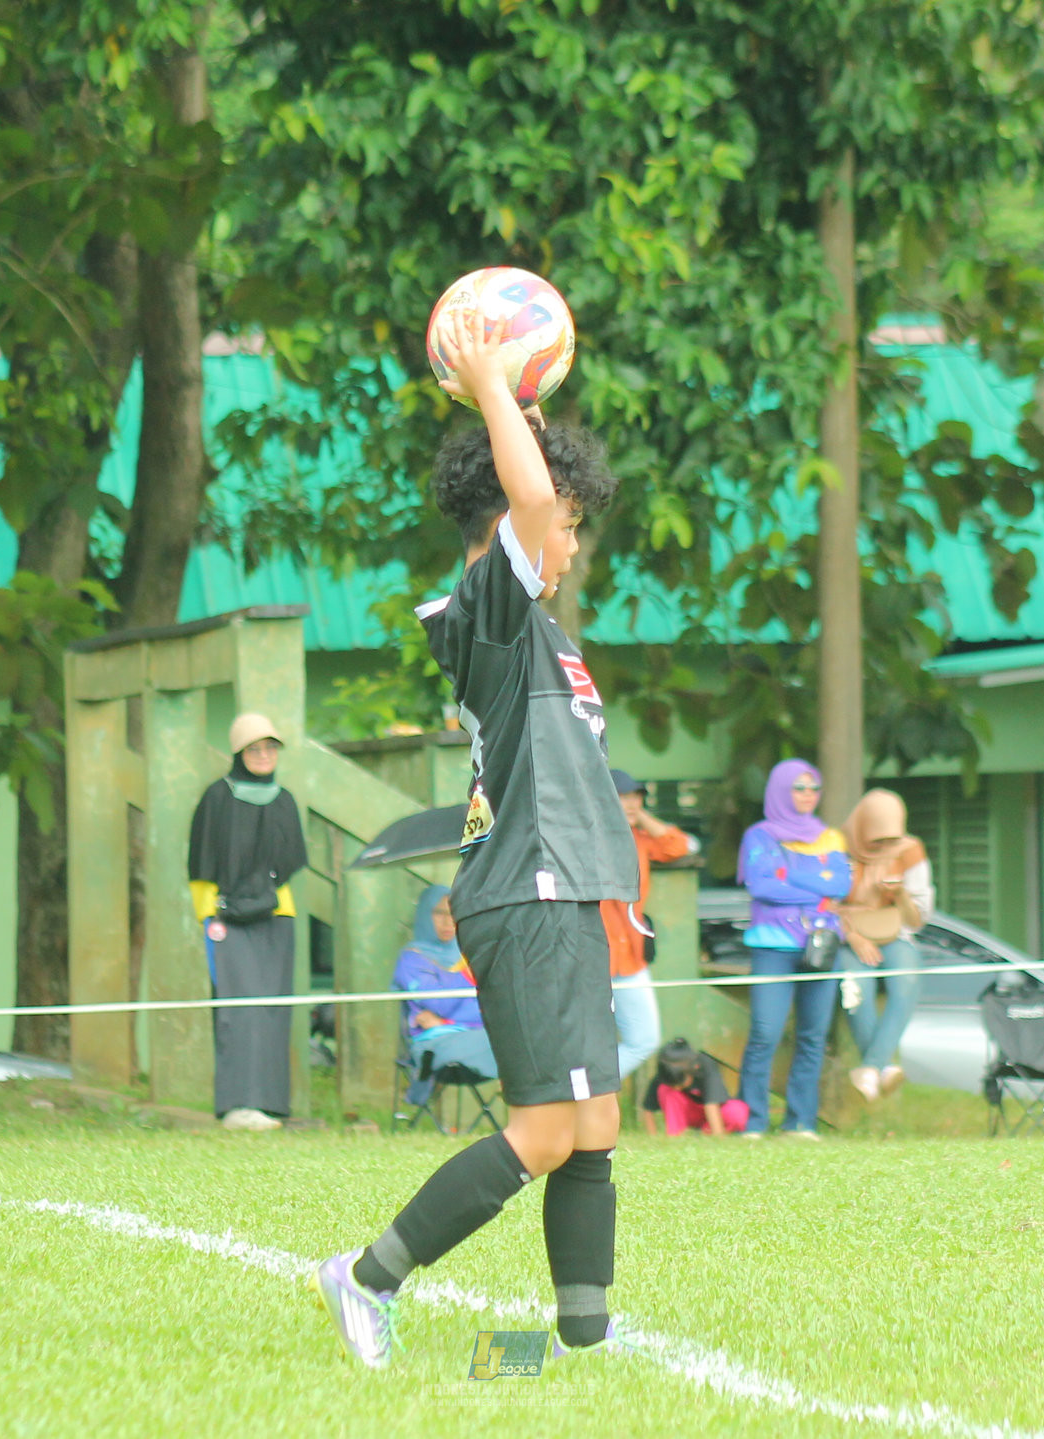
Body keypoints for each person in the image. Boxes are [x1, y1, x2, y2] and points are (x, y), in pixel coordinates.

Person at [315, 306, 639, 1366]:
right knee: (547, 1129)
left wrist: (523, 405)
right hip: (528, 892)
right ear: (508, 523)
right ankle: (365, 1276)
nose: (570, 534)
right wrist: (493, 379)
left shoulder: (533, 623)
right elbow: (531, 494)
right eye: (564, 521)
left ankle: (582, 1342)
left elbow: (538, 491)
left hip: (565, 889)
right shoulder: (483, 607)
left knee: (593, 1126)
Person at [188, 714, 308, 1133]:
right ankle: (237, 1106)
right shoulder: (216, 798)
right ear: (239, 754)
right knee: (238, 1010)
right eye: (255, 749)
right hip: (226, 920)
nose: (263, 756)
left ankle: (272, 1105)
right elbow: (201, 863)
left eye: (270, 749)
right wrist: (212, 914)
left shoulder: (285, 799)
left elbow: (291, 861)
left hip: (277, 915)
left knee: (273, 1008)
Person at [733, 759, 850, 1140]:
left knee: (813, 1035)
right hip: (773, 946)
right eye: (799, 788)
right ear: (781, 790)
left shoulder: (829, 836)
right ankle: (753, 1121)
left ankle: (800, 1122)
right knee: (765, 1033)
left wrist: (788, 874)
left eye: (813, 788)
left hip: (822, 945)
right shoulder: (760, 835)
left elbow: (841, 884)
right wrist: (816, 882)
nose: (807, 796)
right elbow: (762, 886)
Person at [600, 769, 699, 1082]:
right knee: (585, 1043)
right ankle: (578, 1097)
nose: (631, 804)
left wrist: (639, 816)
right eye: (623, 798)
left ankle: (585, 1094)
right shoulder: (585, 838)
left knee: (643, 1040)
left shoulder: (639, 838)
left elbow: (683, 846)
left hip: (630, 957)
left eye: (636, 798)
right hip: (592, 958)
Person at [835, 789, 934, 1103]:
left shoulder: (910, 850)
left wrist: (901, 893)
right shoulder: (837, 847)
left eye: (892, 840)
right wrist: (853, 936)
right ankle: (885, 1067)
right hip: (848, 935)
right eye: (877, 841)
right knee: (856, 987)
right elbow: (821, 905)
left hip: (894, 933)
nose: (885, 848)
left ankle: (869, 1068)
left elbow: (918, 919)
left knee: (906, 981)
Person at [394, 885, 498, 1104]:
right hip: (432, 1048)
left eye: (455, 913)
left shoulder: (466, 953)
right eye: (439, 913)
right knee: (510, 1039)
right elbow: (441, 1002)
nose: (448, 921)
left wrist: (446, 1022)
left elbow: (493, 1005)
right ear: (424, 914)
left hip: (474, 1038)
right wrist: (468, 975)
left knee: (516, 1034)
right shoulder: (412, 959)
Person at [640, 1037, 749, 1137]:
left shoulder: (705, 1064)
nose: (677, 1088)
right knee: (667, 1091)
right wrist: (652, 1136)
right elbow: (648, 1109)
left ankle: (705, 1134)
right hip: (688, 1113)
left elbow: (711, 1104)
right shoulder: (666, 1071)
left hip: (712, 1113)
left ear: (695, 1067)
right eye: (674, 1085)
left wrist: (718, 1136)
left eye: (681, 1083)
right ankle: (675, 1134)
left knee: (737, 1111)